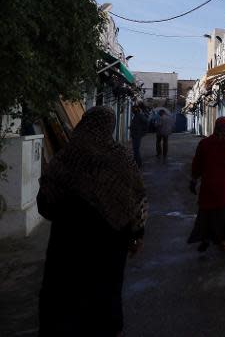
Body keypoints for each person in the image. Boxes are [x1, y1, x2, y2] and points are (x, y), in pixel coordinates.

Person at [37, 106, 147, 337]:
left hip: (67, 239)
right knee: (107, 286)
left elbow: (45, 202)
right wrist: (137, 235)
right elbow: (137, 196)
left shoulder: (67, 155)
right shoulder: (120, 157)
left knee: (64, 289)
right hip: (111, 238)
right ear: (110, 126)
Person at [187, 116, 225, 252]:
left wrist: (194, 179)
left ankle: (206, 237)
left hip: (209, 185)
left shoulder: (205, 143)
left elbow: (197, 164)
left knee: (208, 212)